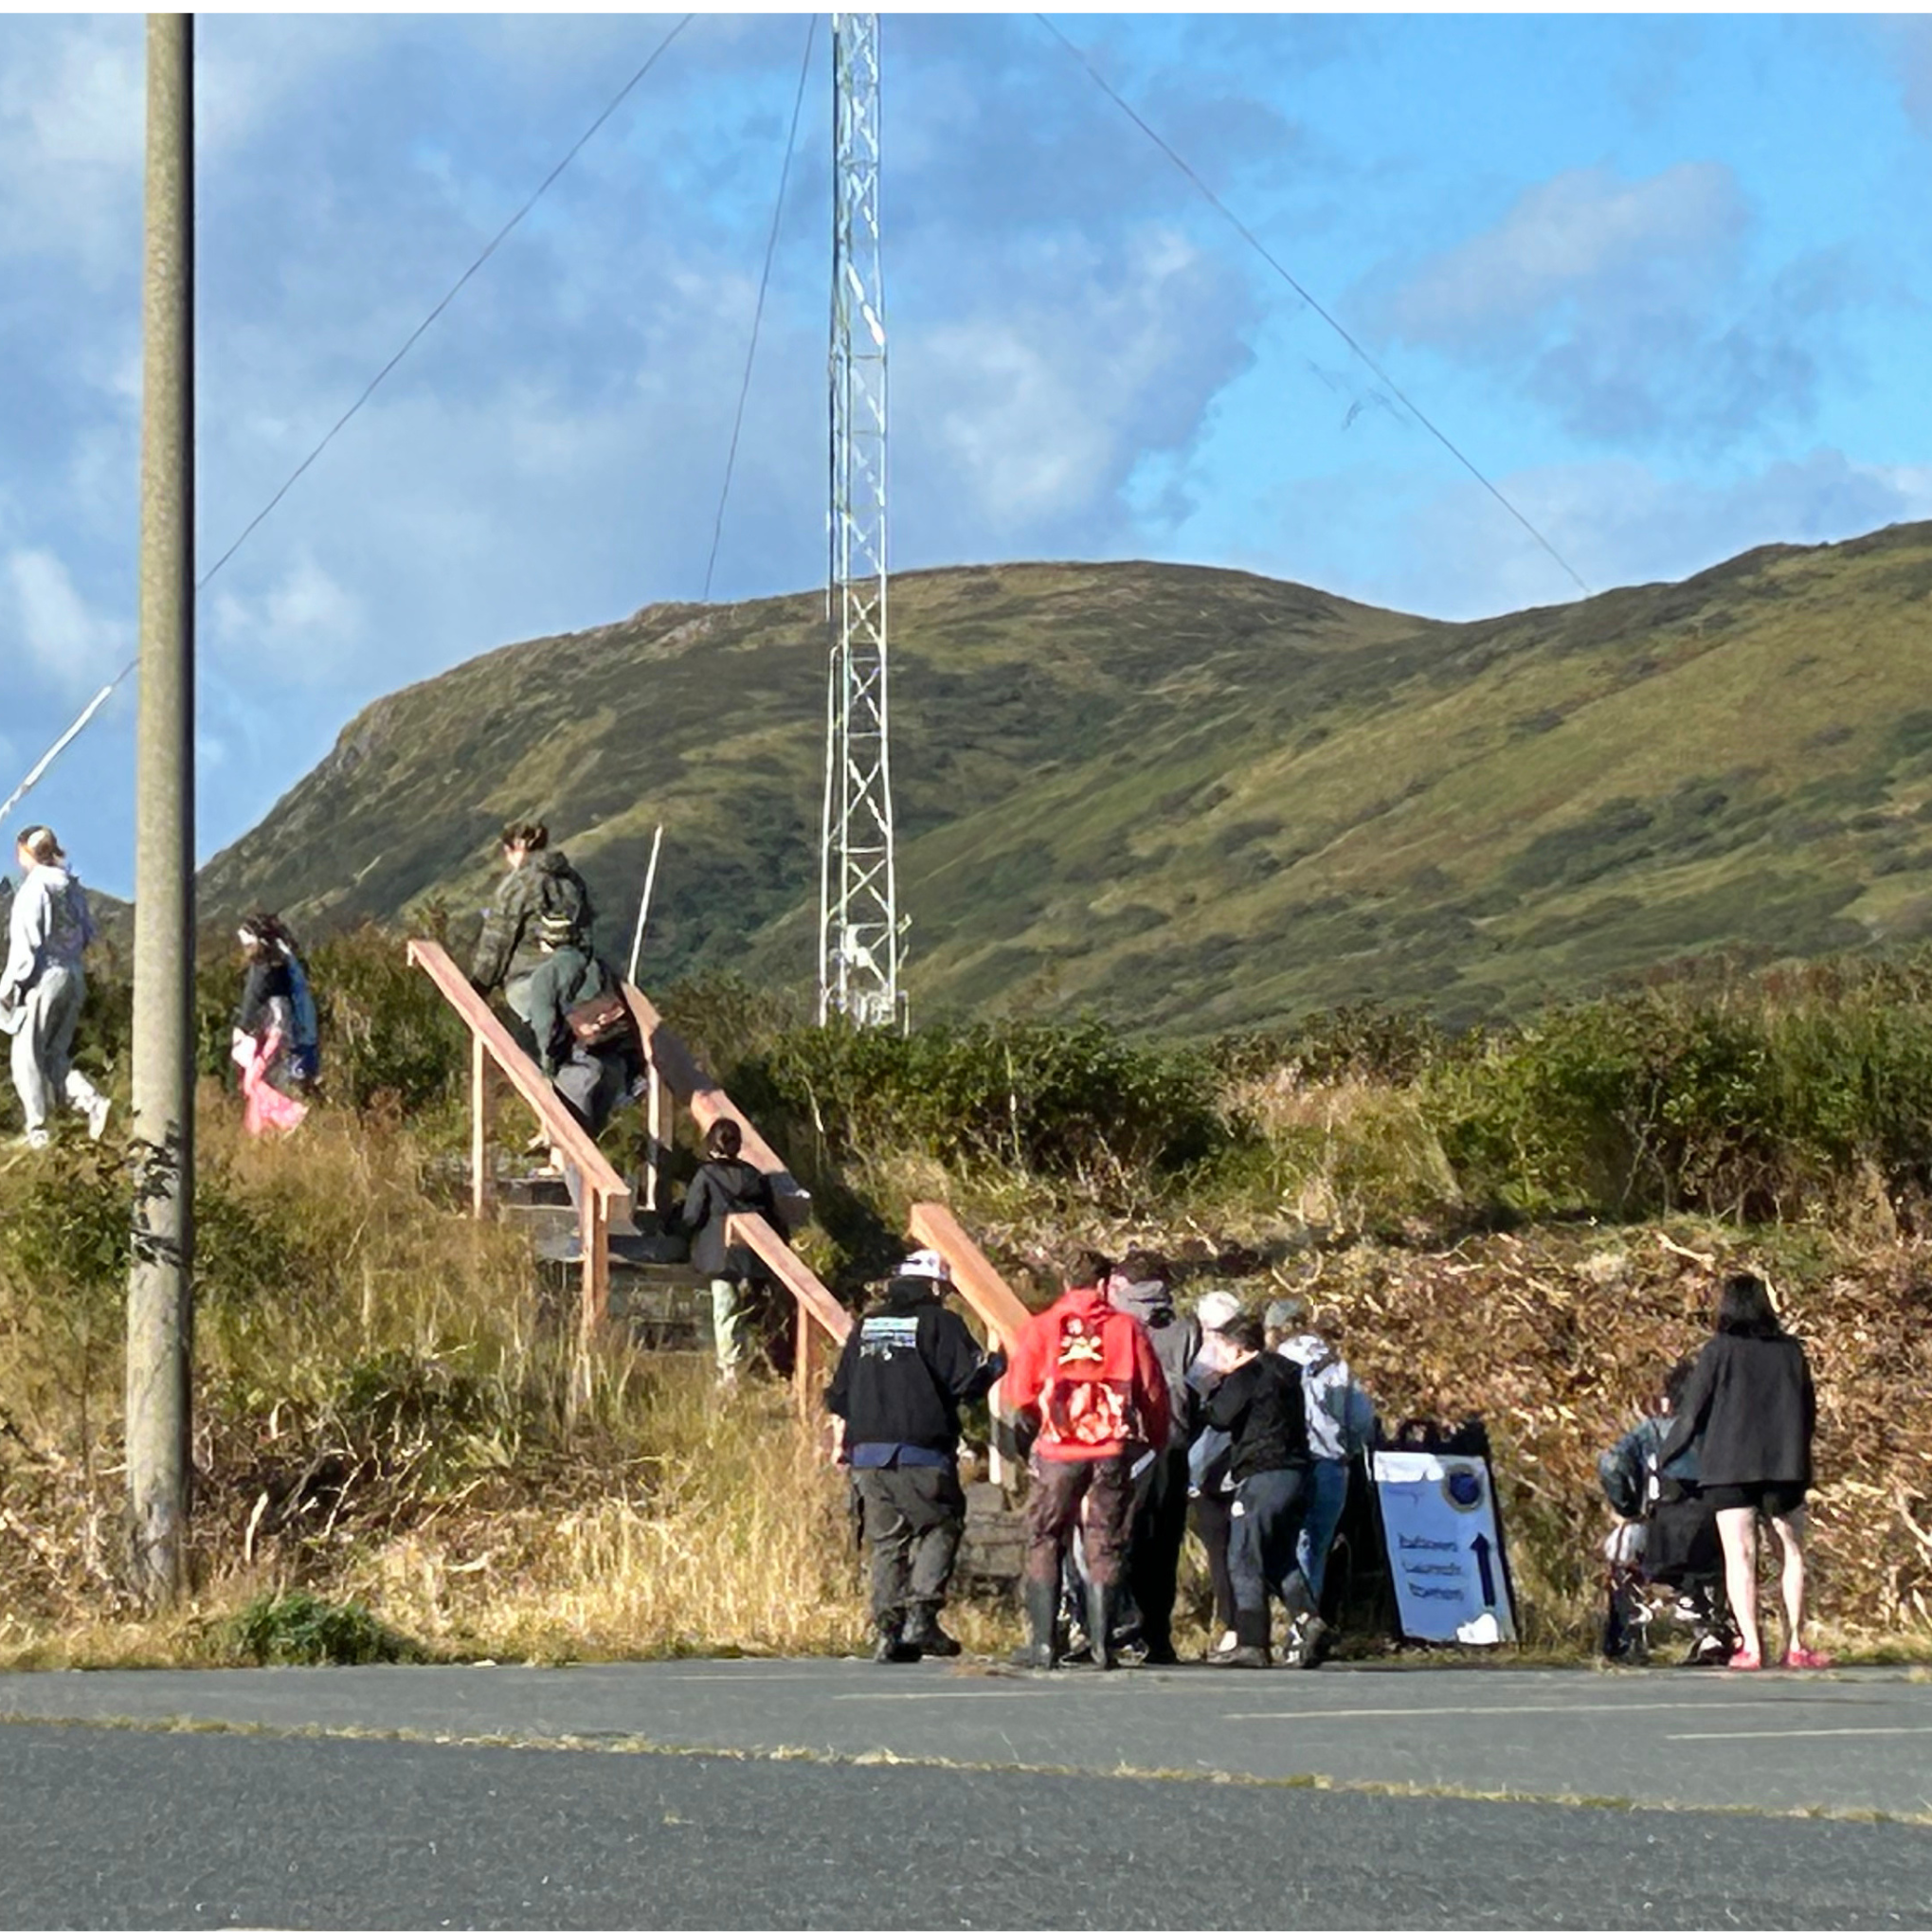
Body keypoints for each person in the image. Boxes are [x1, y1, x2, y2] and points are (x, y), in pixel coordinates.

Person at [824, 1249, 1007, 1663]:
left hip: (867, 1455)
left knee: (887, 1542)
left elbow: (838, 1395)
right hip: (920, 1451)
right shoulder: (942, 1323)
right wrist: (998, 1366)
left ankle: (888, 1630)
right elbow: (968, 1381)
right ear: (936, 1287)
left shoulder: (867, 1325)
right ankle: (921, 1615)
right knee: (940, 1525)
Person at [1001, 1251, 1171, 1671]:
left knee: (1044, 1536)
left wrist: (1041, 1422)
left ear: (1065, 1284)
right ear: (1102, 1285)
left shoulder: (1041, 1328)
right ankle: (1101, 1645)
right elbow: (1152, 1391)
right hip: (1109, 1450)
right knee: (1104, 1540)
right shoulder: (1125, 1329)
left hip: (1059, 1449)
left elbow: (1018, 1392)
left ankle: (1043, 1643)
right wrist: (1157, 1438)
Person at [1658, 1273, 1829, 1671]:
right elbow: (1808, 1411)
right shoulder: (1792, 1351)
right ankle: (1796, 1644)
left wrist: (1668, 1456)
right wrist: (1801, 1459)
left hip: (1728, 1468)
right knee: (1791, 1553)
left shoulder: (1718, 1351)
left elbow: (1693, 1411)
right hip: (1784, 1468)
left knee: (1740, 1556)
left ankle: (1751, 1646)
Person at [1598, 1358, 1734, 1667]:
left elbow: (1611, 1463)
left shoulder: (1653, 1431)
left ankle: (1626, 1635)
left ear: (1669, 1399)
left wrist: (1628, 1507)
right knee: (1733, 1552)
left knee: (1622, 1548)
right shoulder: (1726, 1435)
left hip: (1662, 1535)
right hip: (1717, 1537)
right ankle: (1713, 1630)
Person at [1269, 1297, 1376, 1666]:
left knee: (1286, 1546)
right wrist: (1350, 1444)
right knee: (1317, 1546)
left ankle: (1298, 1624)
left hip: (1292, 1462)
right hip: (1333, 1463)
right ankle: (1306, 1631)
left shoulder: (1278, 1360)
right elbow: (1362, 1417)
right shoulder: (1337, 1362)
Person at [1205, 1312, 1315, 1669]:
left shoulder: (1246, 1376)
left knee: (1243, 1555)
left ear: (1237, 1349)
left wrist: (1211, 1390)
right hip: (1295, 1472)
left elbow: (1220, 1417)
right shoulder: (1285, 1372)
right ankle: (1308, 1618)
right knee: (1279, 1554)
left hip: (1262, 1473)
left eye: (1221, 1348)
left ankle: (1252, 1640)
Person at [1109, 1252, 1200, 1666]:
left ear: (1123, 1282)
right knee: (1164, 1545)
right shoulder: (1185, 1328)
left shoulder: (1115, 1323)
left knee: (1118, 1537)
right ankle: (1158, 1637)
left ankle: (1117, 1625)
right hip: (1175, 1446)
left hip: (1128, 1444)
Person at [0, 825, 109, 1149]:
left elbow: (26, 948)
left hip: (45, 977)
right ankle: (91, 1102)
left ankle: (38, 1130)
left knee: (26, 1056)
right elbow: (89, 933)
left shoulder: (34, 890)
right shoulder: (72, 888)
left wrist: (7, 987)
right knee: (55, 1055)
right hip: (74, 974)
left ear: (26, 853)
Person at [679, 1116, 786, 1386]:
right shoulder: (754, 1176)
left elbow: (691, 1216)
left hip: (720, 1256)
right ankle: (754, 1363)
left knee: (725, 1313)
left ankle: (729, 1371)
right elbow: (773, 1216)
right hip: (753, 1256)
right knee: (749, 1312)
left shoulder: (705, 1175)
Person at [468, 821, 595, 1041]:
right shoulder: (571, 879)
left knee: (548, 1042)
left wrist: (479, 986)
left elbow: (497, 943)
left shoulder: (518, 886)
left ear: (511, 849)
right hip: (579, 976)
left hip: (530, 980)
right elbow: (585, 929)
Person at [525, 913, 641, 1142]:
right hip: (613, 1063)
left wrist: (548, 1071)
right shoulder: (599, 966)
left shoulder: (546, 976)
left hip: (578, 1065)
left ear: (547, 942)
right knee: (591, 1142)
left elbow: (545, 1028)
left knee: (575, 1146)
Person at [1186, 1289, 1244, 1656]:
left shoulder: (1201, 1364)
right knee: (1229, 1552)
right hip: (1222, 1473)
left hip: (1209, 1474)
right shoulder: (1244, 1362)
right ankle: (1234, 1625)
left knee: (1225, 1552)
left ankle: (1234, 1626)